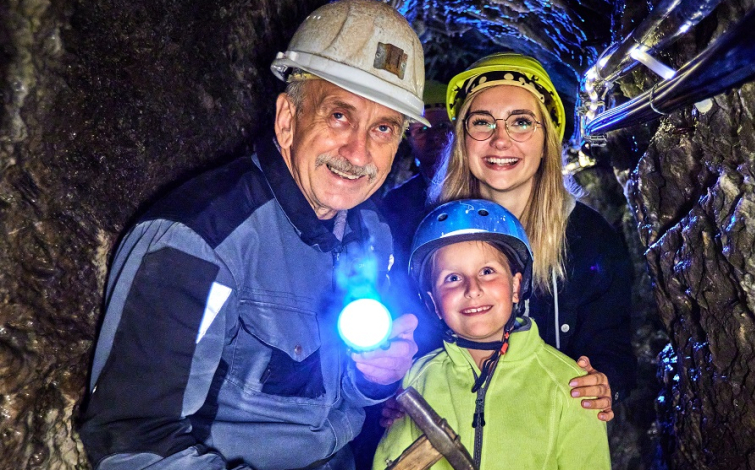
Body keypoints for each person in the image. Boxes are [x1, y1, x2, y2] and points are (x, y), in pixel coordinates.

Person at [78, 2, 428, 469]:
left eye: (382, 128)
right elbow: (135, 441)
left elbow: (335, 392)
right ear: (287, 120)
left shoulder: (371, 233)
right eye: (339, 116)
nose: (358, 151)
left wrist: (375, 377)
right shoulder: (198, 241)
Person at [432, 52, 637, 419]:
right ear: (463, 140)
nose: (500, 140)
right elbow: (411, 340)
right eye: (482, 123)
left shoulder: (589, 238)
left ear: (547, 142)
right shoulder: (430, 237)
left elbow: (614, 344)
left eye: (521, 122)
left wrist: (604, 381)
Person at [373, 199, 611, 470]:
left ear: (515, 285)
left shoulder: (570, 385)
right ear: (432, 303)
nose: (472, 288)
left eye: (487, 271)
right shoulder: (417, 379)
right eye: (452, 278)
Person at [379, 79, 453, 354]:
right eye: (422, 130)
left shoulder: (486, 193)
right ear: (408, 139)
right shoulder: (395, 205)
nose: (435, 137)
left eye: (444, 126)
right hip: (419, 343)